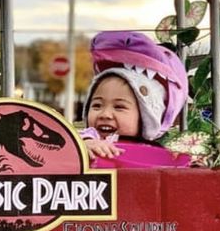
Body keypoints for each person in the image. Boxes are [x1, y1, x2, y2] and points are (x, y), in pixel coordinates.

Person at [79, 30, 189, 166]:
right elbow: (69, 144)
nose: (105, 114)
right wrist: (84, 146)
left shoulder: (155, 153)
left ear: (146, 117)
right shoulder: (89, 138)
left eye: (119, 107)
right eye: (97, 105)